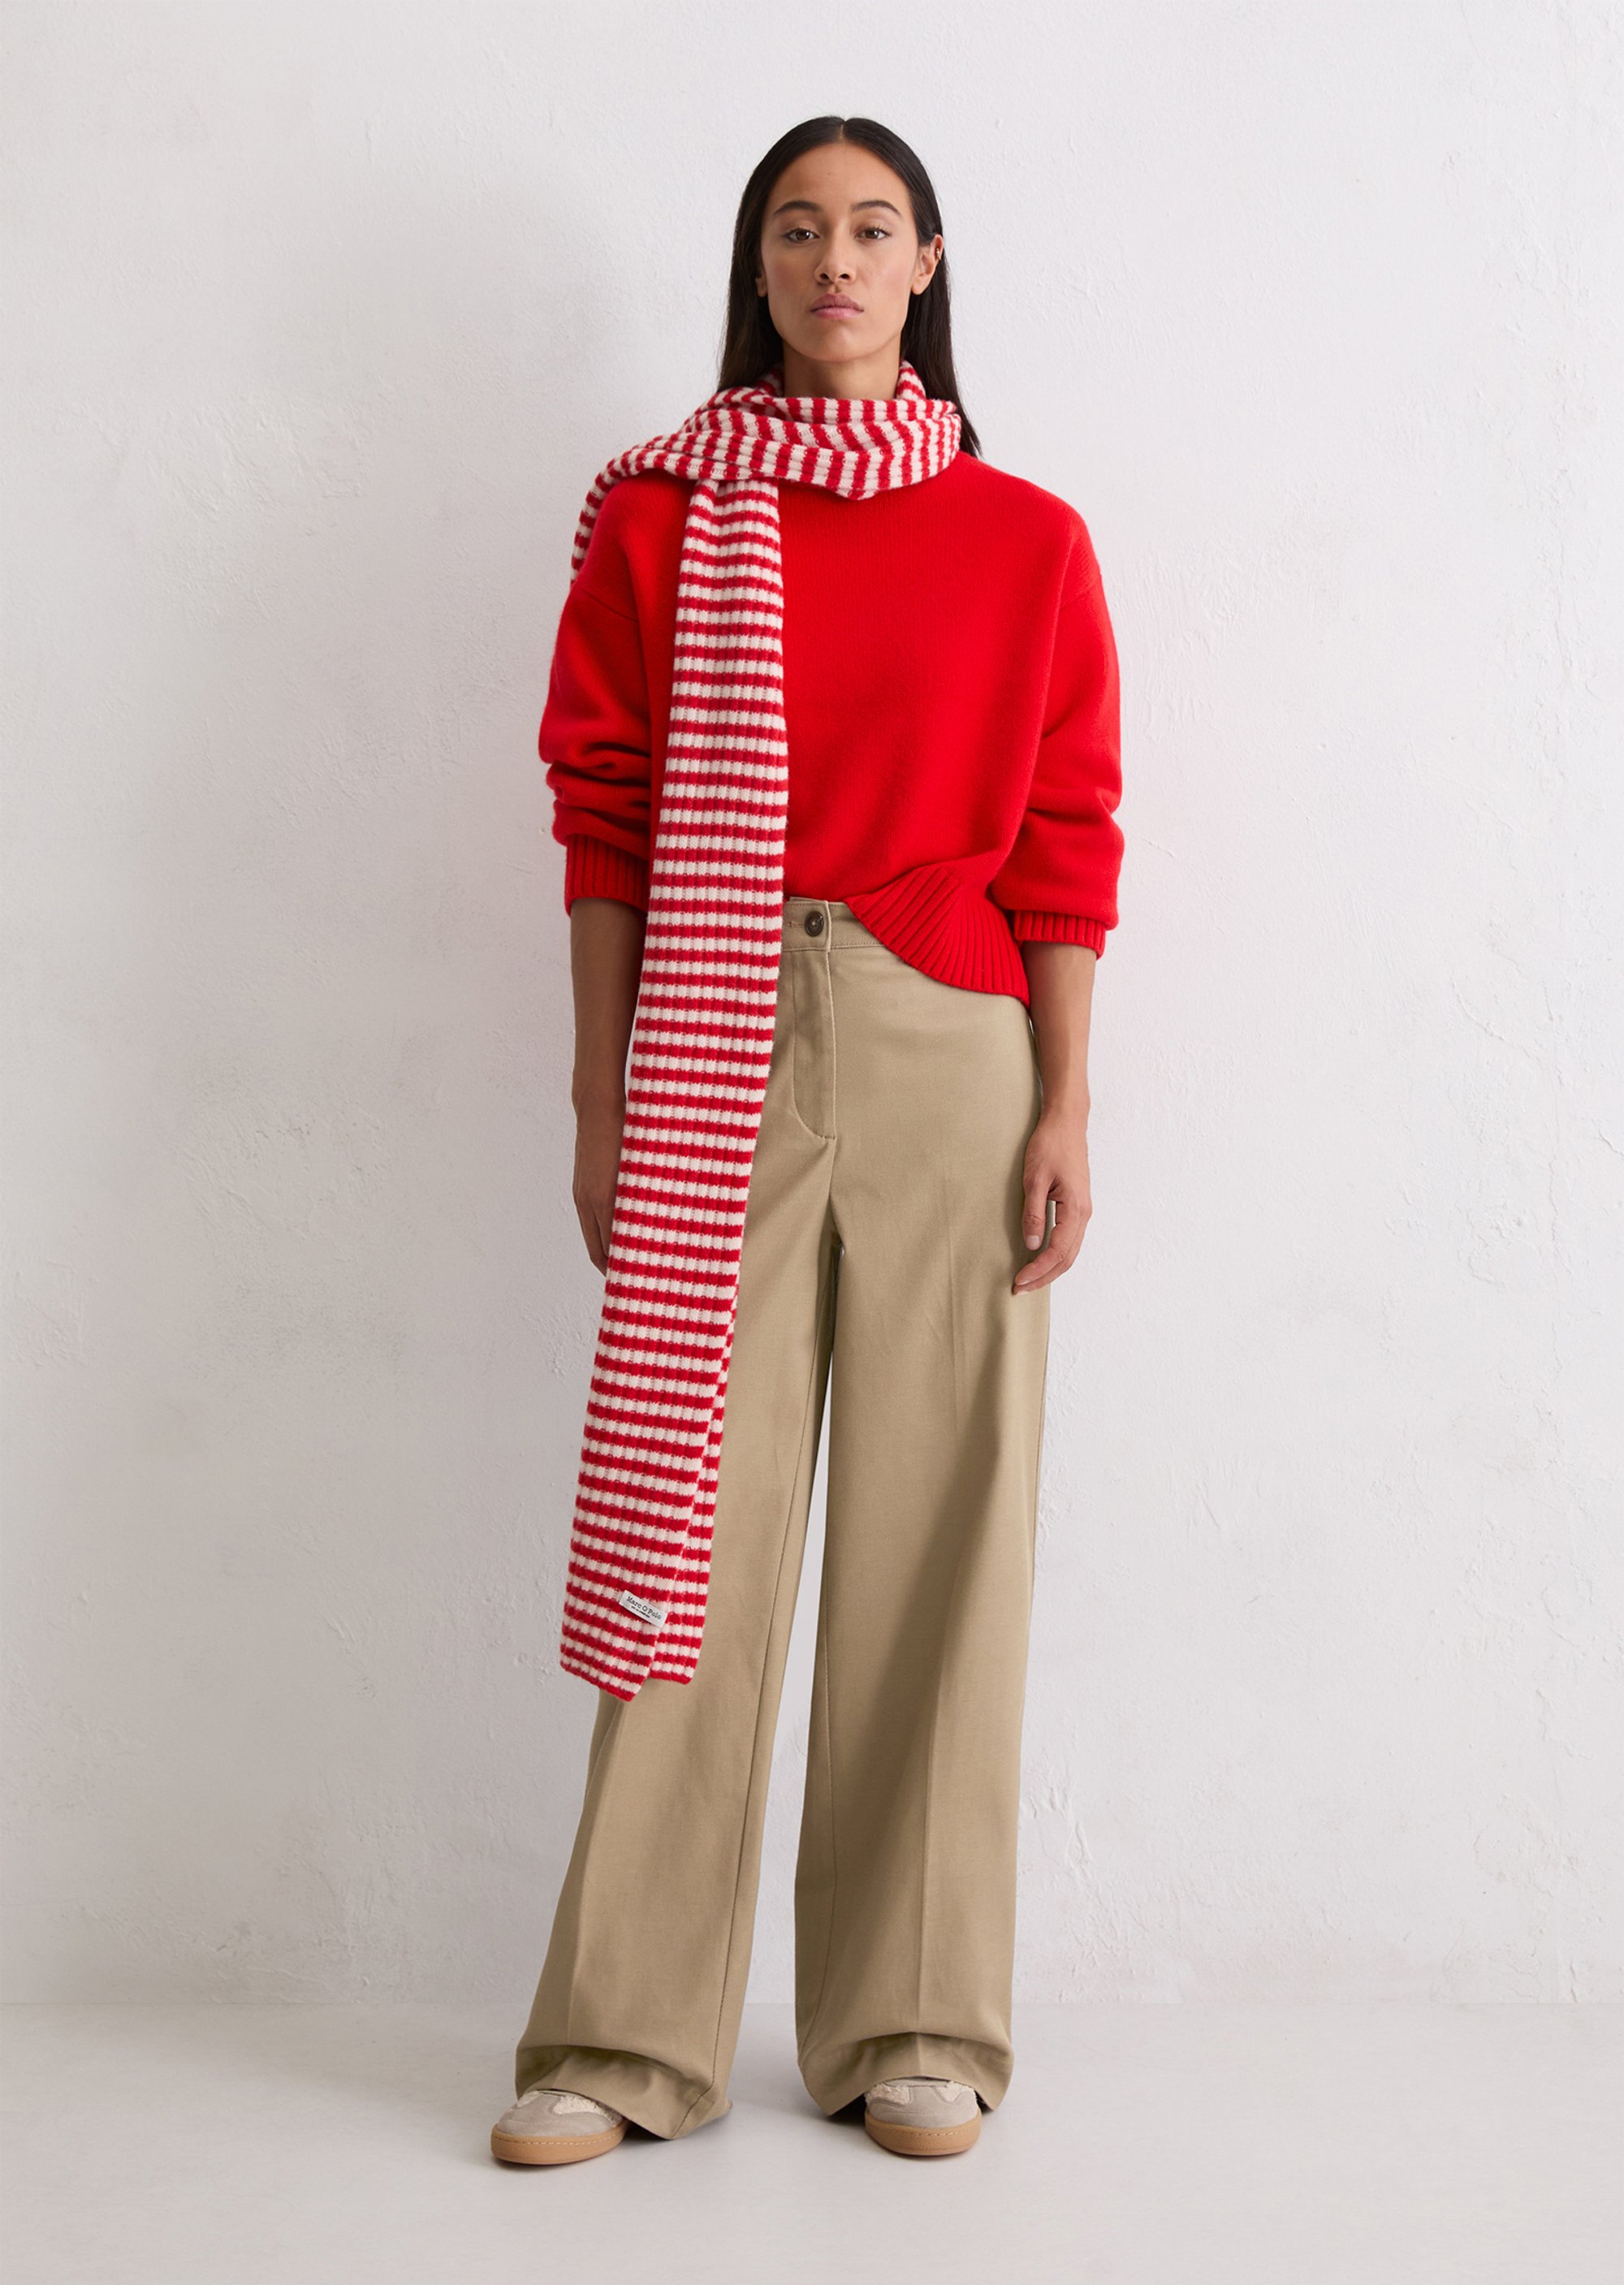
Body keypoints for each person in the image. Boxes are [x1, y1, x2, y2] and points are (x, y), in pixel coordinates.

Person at [492, 113, 1124, 2166]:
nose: (833, 260)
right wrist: (599, 1090)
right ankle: (621, 2039)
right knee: (694, 1522)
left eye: (871, 227)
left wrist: (1065, 1097)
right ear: (756, 266)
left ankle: (914, 2024)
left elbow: (1065, 839)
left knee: (947, 1530)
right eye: (795, 227)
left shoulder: (1027, 539)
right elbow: (604, 809)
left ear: (926, 262)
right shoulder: (663, 517)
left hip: (954, 1040)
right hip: (717, 1041)